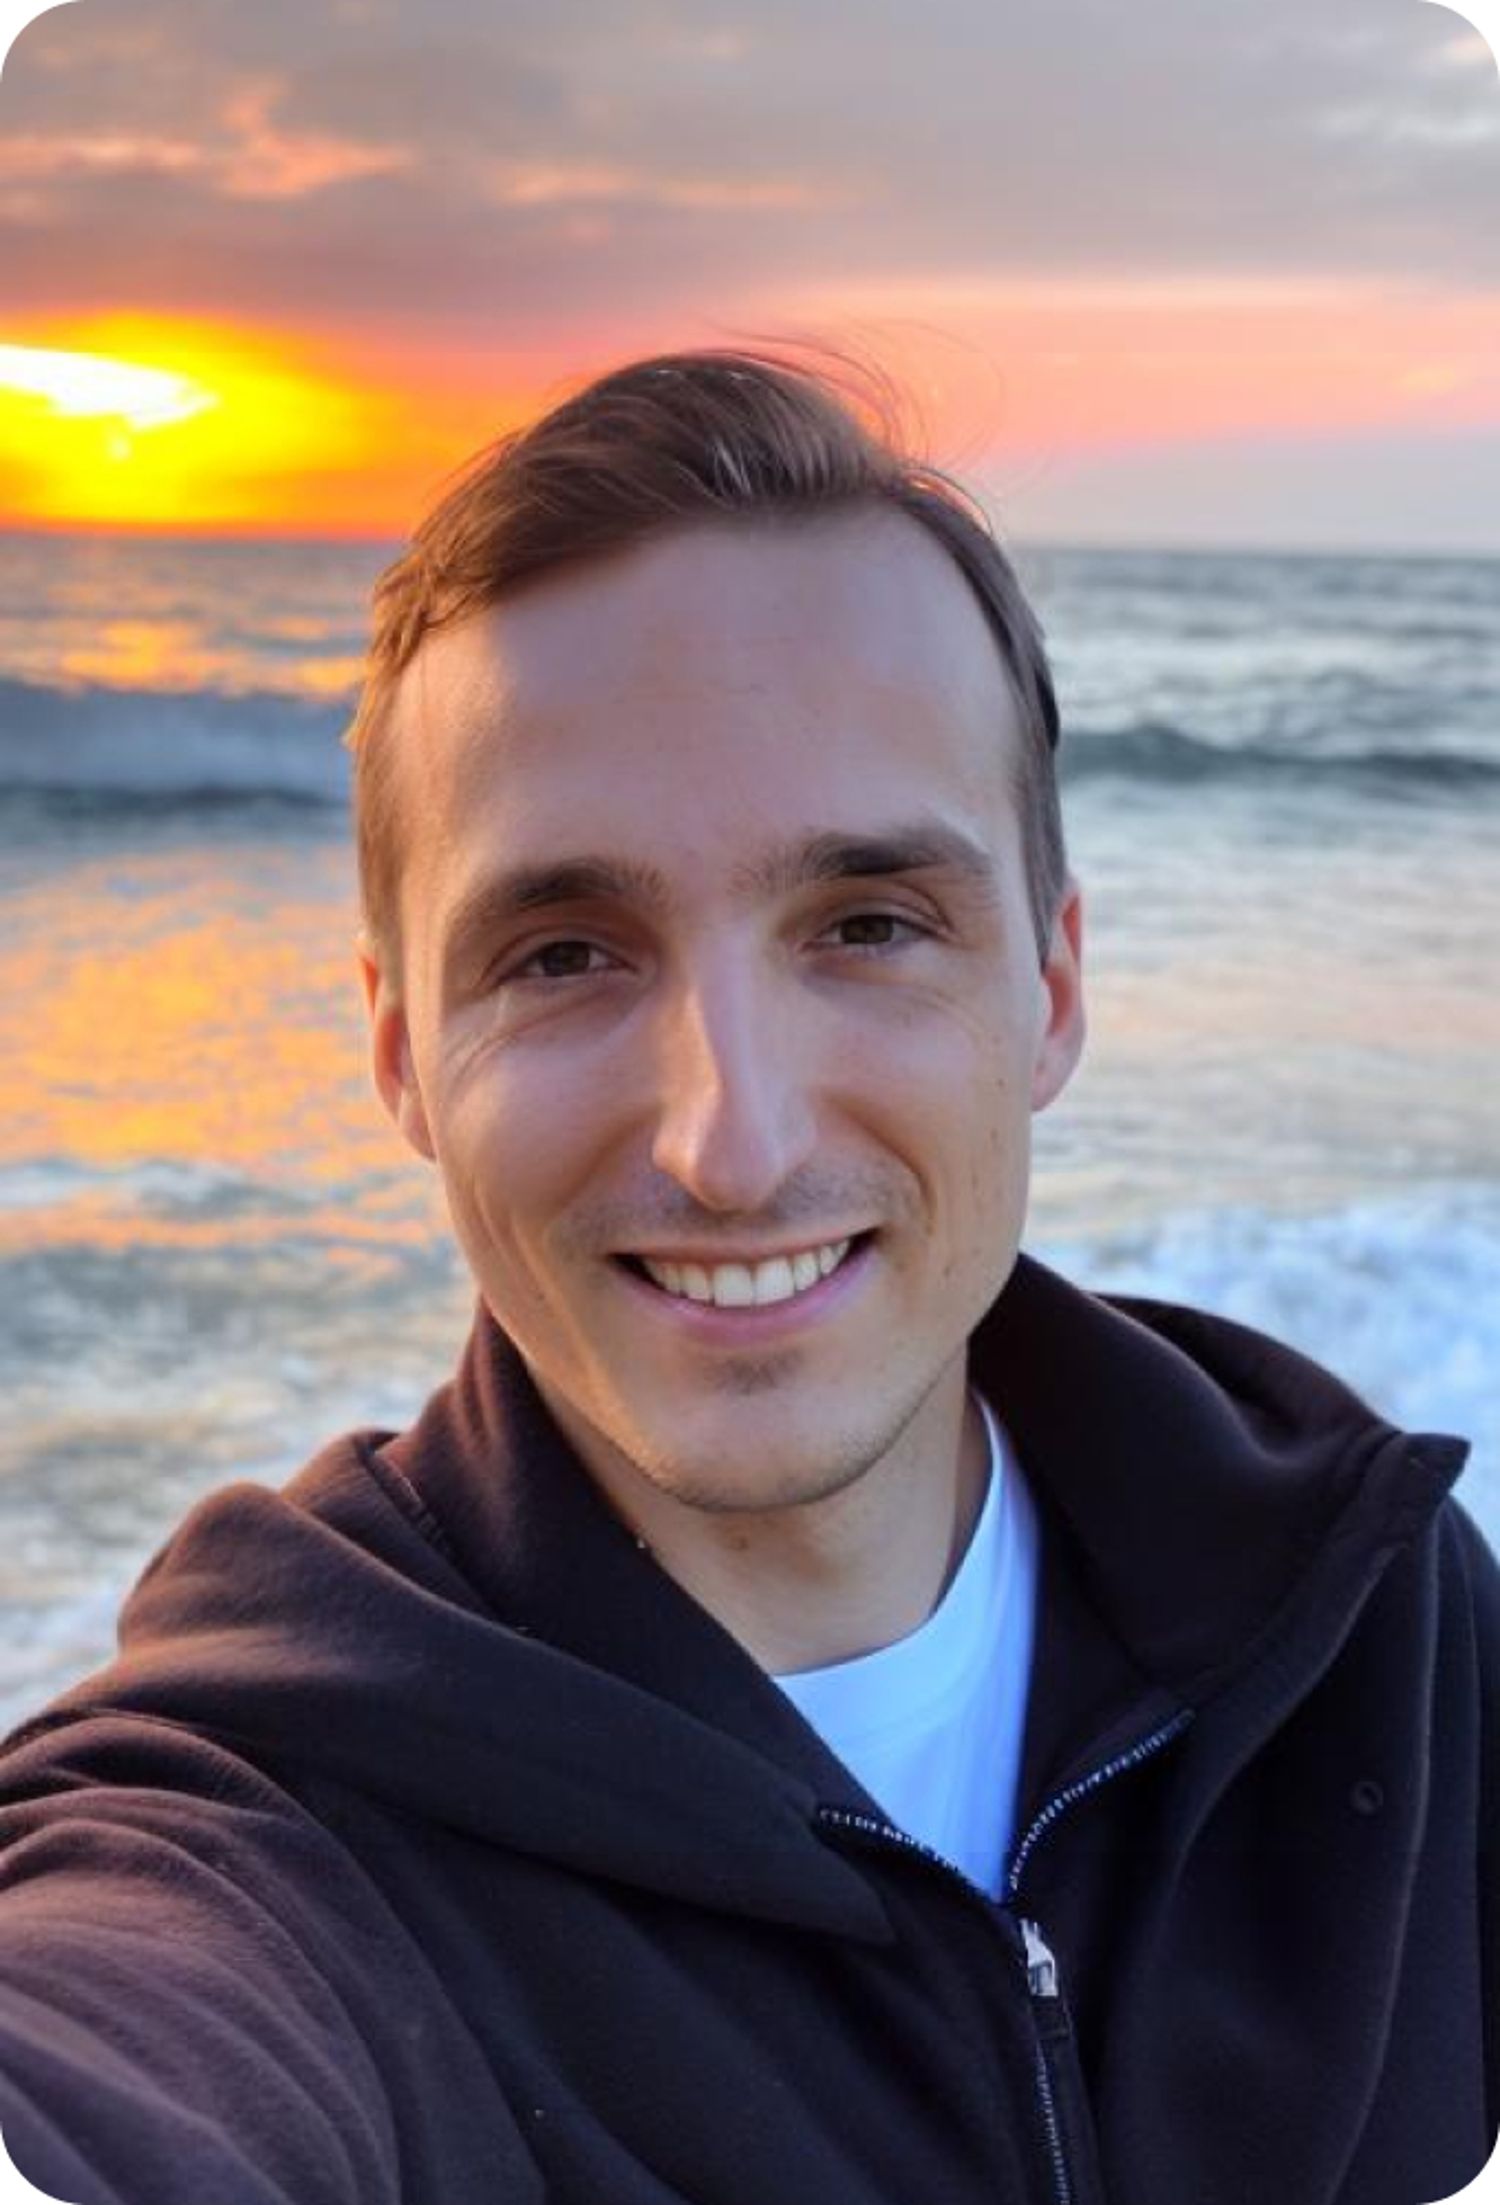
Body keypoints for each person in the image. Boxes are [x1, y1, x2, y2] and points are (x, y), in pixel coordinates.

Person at [0, 351, 1494, 2205]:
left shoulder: (1375, 1636)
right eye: (563, 953)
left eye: (867, 924)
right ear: (400, 1057)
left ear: (1050, 988)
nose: (735, 1145)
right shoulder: (267, 1830)